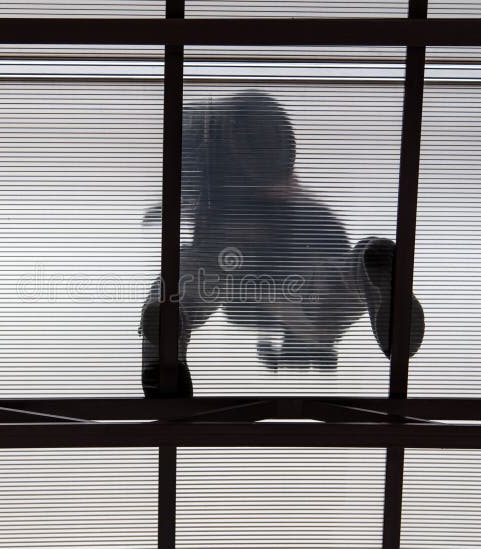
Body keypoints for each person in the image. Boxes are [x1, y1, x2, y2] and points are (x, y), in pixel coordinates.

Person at [140, 90, 425, 398]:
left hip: (240, 265)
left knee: (182, 279)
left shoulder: (229, 194)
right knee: (341, 284)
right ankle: (370, 262)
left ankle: (166, 333)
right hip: (283, 273)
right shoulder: (302, 209)